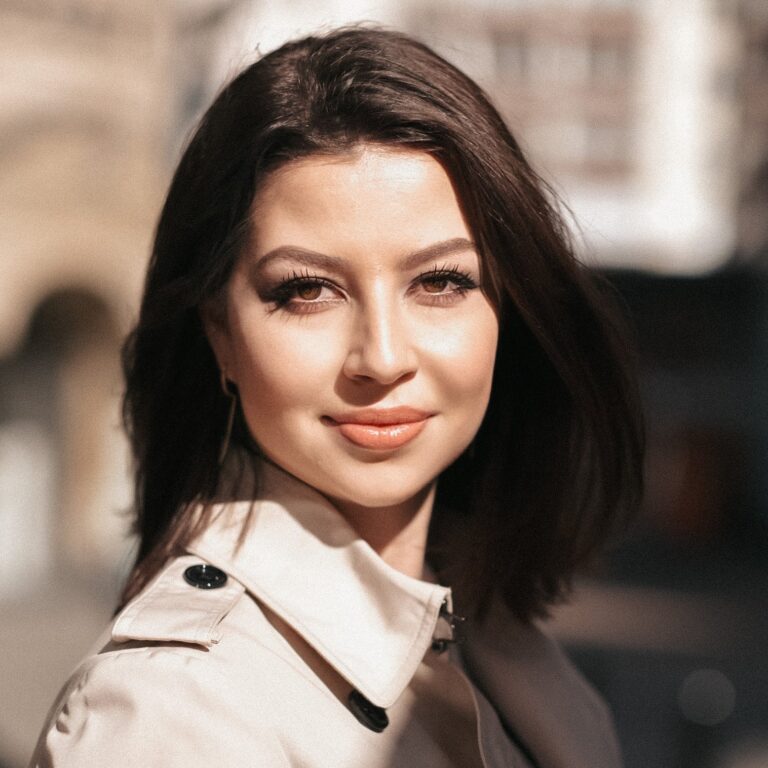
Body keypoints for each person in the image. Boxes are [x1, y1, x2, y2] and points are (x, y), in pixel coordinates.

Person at [30, 26, 643, 768]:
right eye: (308, 291)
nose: (381, 357)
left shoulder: (502, 644)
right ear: (220, 334)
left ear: (507, 312)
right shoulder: (169, 717)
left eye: (440, 282)